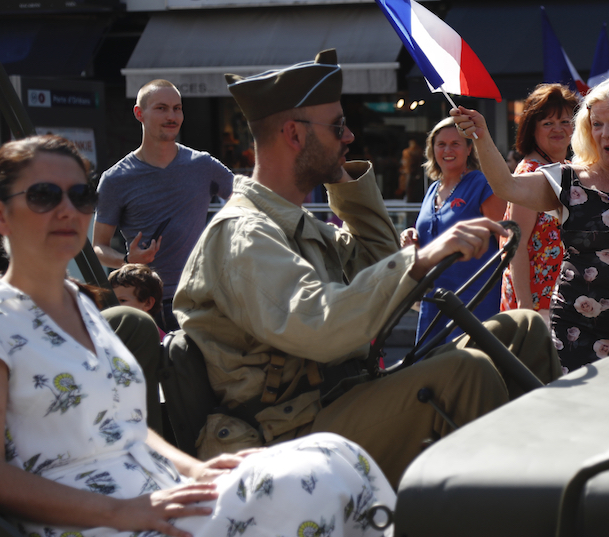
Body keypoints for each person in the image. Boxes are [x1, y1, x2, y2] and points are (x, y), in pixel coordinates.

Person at [0, 134, 392, 537]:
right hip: (97, 536)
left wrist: (198, 469)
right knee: (309, 487)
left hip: (155, 500)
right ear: (3, 216)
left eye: (80, 196)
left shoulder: (81, 305)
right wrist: (122, 511)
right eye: (42, 196)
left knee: (336, 456)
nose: (66, 210)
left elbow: (129, 429)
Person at [173, 50, 560, 487]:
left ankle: (549, 481)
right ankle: (486, 528)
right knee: (465, 374)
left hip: (342, 397)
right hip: (289, 431)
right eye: (338, 127)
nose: (351, 136)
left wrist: (344, 178)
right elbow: (321, 328)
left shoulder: (296, 226)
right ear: (294, 135)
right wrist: (422, 257)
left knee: (521, 329)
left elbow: (376, 260)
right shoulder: (244, 235)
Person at [451, 77, 609, 373]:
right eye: (597, 124)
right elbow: (506, 187)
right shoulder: (567, 178)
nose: (606, 133)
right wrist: (480, 136)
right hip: (572, 330)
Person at [93, 79, 234, 332]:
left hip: (199, 298)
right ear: (139, 113)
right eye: (161, 108)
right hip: (144, 303)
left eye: (177, 108)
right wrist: (127, 260)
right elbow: (98, 246)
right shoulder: (115, 179)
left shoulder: (202, 165)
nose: (172, 116)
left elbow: (247, 200)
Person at [399, 118, 507, 343]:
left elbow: (507, 241)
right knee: (432, 373)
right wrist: (412, 238)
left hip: (475, 303)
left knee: (471, 372)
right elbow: (434, 239)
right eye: (441, 144)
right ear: (432, 149)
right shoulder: (432, 190)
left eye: (455, 144)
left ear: (469, 149)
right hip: (435, 304)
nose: (447, 150)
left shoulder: (482, 184)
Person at [499, 83, 578, 329]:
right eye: (548, 123)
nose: (559, 129)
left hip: (561, 298)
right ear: (532, 129)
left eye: (565, 121)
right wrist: (524, 307)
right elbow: (516, 244)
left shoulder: (566, 168)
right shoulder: (530, 173)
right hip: (535, 305)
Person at [108, 263, 166, 340]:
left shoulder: (155, 340)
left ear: (148, 303)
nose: (114, 305)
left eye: (122, 300)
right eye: (112, 299)